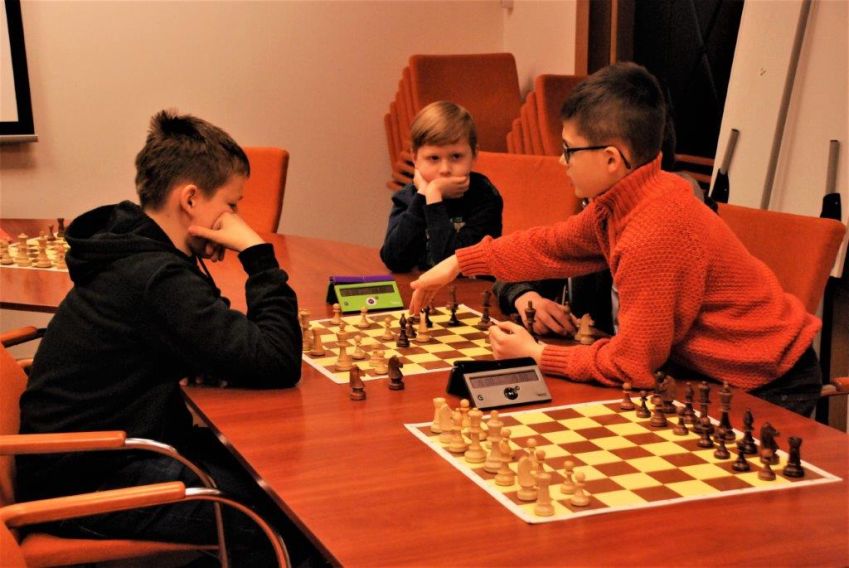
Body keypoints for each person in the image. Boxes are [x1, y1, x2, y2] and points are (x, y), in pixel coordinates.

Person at [410, 62, 823, 417]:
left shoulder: (653, 228)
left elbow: (632, 365)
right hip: (713, 373)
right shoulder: (625, 200)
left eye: (569, 150)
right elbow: (550, 246)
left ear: (610, 158)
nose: (561, 160)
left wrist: (538, 355)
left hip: (769, 381)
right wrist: (459, 262)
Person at [17, 110, 314, 565]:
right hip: (88, 479)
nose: (235, 220)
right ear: (191, 198)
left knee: (275, 484)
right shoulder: (154, 276)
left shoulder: (136, 249)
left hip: (96, 455)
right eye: (231, 205)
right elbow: (276, 360)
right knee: (279, 522)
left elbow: (217, 341)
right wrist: (257, 254)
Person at [379, 100, 503, 272]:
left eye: (456, 156)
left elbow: (451, 264)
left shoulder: (484, 196)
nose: (445, 169)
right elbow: (394, 261)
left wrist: (433, 197)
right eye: (434, 158)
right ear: (415, 158)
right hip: (420, 286)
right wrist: (423, 195)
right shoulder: (409, 196)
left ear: (474, 154)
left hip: (471, 286)